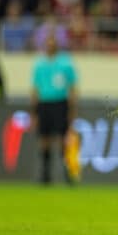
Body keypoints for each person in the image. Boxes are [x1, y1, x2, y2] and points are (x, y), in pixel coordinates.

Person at [31, 33, 78, 183]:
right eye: (48, 43)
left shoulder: (65, 63)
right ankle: (45, 174)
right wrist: (34, 111)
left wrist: (71, 108)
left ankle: (67, 173)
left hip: (60, 103)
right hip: (44, 103)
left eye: (53, 43)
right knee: (44, 138)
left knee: (62, 139)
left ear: (57, 45)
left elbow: (72, 88)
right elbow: (35, 89)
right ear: (45, 45)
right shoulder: (39, 64)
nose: (51, 45)